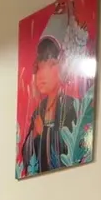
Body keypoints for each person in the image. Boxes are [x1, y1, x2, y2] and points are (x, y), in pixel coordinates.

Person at [18, 35, 80, 177]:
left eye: (51, 64)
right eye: (39, 67)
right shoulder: (38, 111)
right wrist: (35, 134)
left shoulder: (71, 106)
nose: (42, 74)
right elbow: (26, 156)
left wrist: (44, 132)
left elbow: (71, 151)